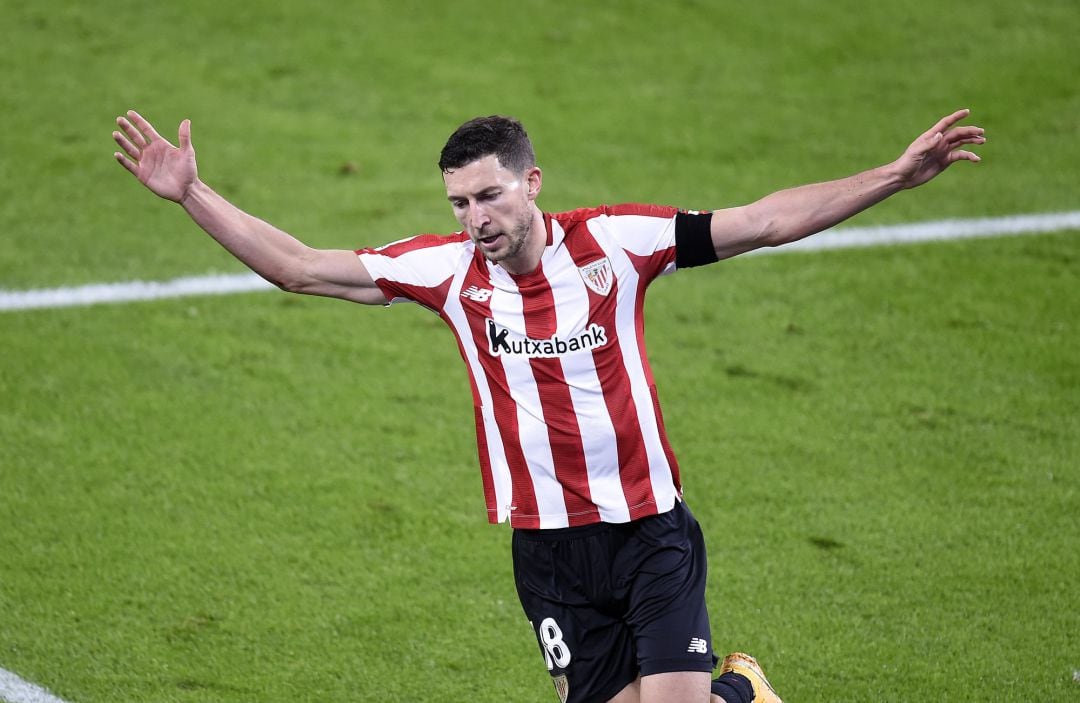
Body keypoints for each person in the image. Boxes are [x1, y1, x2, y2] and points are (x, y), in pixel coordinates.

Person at [112, 108, 984, 703]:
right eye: (459, 202)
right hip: (549, 554)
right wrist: (190, 192)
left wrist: (896, 176)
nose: (474, 218)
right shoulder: (445, 272)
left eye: (489, 195)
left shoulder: (617, 241)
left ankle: (729, 686)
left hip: (650, 533)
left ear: (533, 182)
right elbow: (299, 265)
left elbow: (764, 222)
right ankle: (738, 691)